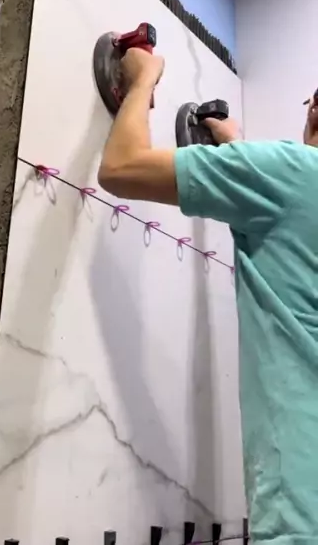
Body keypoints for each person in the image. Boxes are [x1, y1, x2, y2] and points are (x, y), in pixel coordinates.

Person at [98, 48, 318, 545]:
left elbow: (121, 167)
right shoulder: (287, 183)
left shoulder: (291, 173)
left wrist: (142, 80)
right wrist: (236, 152)